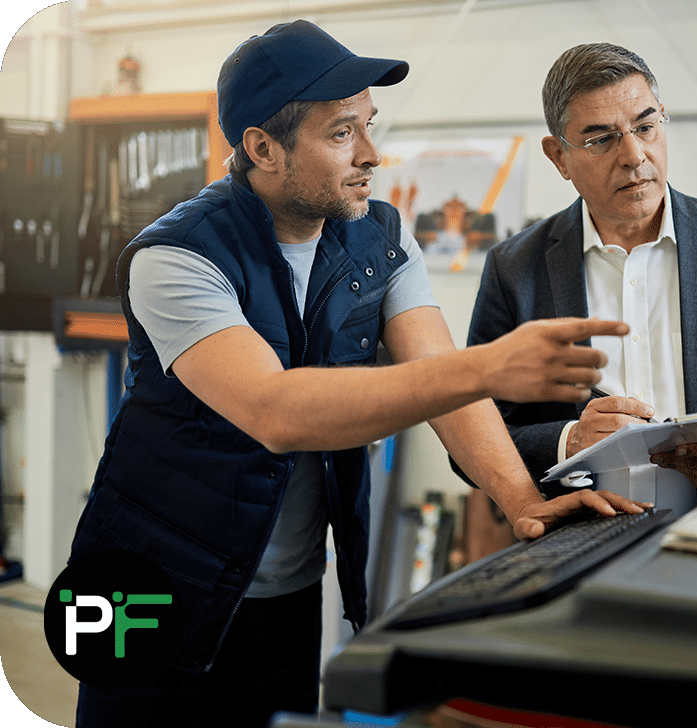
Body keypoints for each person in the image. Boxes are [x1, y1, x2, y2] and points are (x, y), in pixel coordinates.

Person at [68, 22, 646, 728]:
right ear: (262, 148)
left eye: (369, 126)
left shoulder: (379, 237)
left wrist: (520, 498)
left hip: (286, 591)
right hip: (145, 590)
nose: (372, 154)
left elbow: (438, 376)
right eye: (343, 133)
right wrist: (491, 365)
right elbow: (275, 410)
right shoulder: (177, 257)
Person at [456, 42, 697, 516]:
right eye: (601, 139)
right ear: (559, 157)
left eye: (645, 127)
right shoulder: (514, 268)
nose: (633, 155)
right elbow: (472, 436)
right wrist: (570, 440)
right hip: (578, 542)